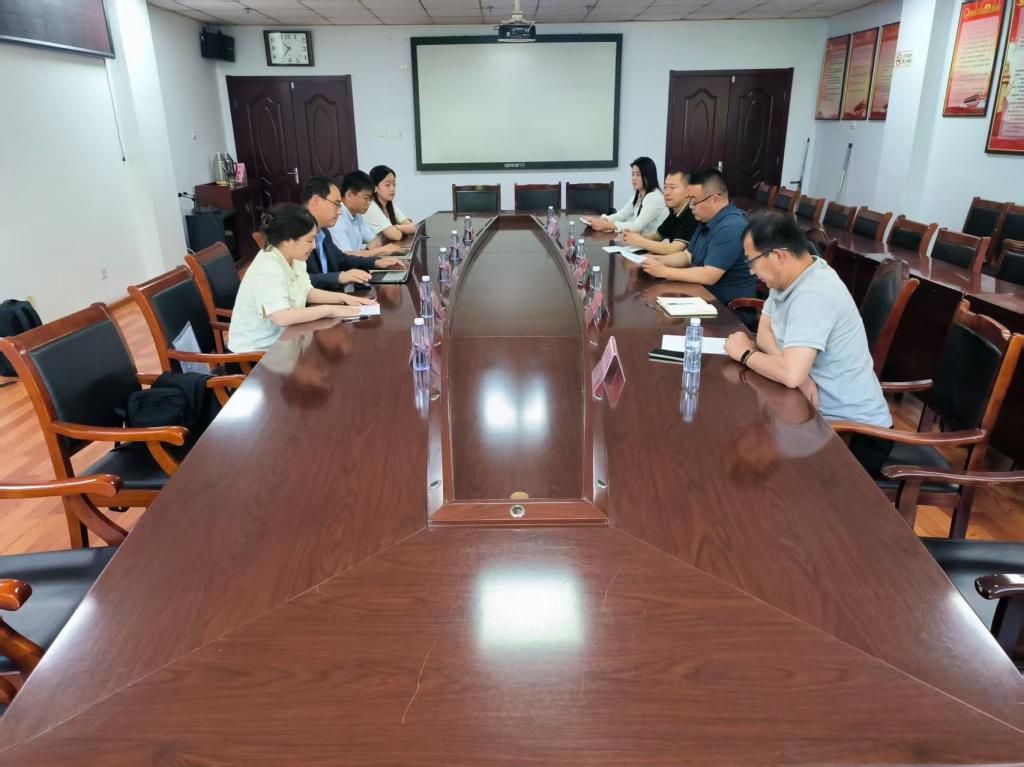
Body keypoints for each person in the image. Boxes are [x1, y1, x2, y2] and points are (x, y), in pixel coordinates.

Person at [722, 211, 892, 474]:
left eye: (752, 262)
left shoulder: (814, 293)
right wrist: (797, 374)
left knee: (783, 489)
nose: (751, 271)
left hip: (853, 434)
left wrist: (745, 354)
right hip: (810, 416)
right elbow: (765, 332)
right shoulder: (791, 277)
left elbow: (790, 375)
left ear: (778, 256)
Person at [228, 204, 376, 353]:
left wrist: (344, 299)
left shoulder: (294, 257)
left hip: (287, 342)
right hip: (257, 355)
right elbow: (282, 317)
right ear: (288, 240)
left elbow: (306, 291)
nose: (314, 246)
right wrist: (330, 310)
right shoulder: (268, 267)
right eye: (309, 240)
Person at [640, 168, 755, 305]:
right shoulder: (706, 218)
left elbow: (709, 275)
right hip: (699, 295)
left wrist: (664, 271)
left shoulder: (732, 227)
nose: (690, 207)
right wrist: (655, 259)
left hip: (725, 308)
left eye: (694, 201)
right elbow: (687, 256)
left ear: (714, 200)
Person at [302, 176, 405, 289]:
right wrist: (339, 277)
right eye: (336, 204)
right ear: (316, 202)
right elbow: (300, 281)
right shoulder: (295, 233)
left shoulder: (324, 232)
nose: (340, 211)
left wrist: (376, 262)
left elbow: (342, 259)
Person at [330, 170, 408, 258]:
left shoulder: (357, 215)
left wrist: (375, 248)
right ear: (349, 195)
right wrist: (376, 250)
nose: (369, 203)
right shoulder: (337, 218)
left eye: (370, 198)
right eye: (366, 198)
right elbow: (346, 257)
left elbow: (374, 240)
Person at [621, 168, 697, 255]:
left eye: (672, 187)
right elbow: (656, 237)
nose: (666, 192)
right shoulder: (674, 212)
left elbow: (673, 249)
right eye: (665, 187)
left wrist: (639, 241)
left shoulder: (692, 213)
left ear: (688, 191)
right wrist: (633, 237)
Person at [586, 156, 668, 236]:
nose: (634, 178)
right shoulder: (639, 194)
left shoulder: (654, 197)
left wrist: (607, 225)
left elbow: (637, 226)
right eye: (632, 174)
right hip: (641, 240)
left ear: (649, 176)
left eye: (638, 174)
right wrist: (600, 220)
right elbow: (622, 215)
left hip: (654, 243)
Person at [366, 165, 417, 242]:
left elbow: (413, 228)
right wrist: (402, 228)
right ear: (375, 187)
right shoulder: (371, 207)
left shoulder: (390, 205)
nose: (392, 189)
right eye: (387, 185)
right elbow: (396, 236)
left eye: (394, 184)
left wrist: (396, 227)